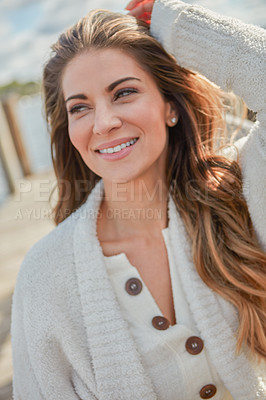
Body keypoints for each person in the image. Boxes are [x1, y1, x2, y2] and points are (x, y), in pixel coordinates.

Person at [11, 0, 266, 399]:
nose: (103, 122)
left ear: (170, 107)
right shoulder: (46, 276)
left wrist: (176, 25)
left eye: (124, 92)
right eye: (80, 107)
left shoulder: (240, 198)